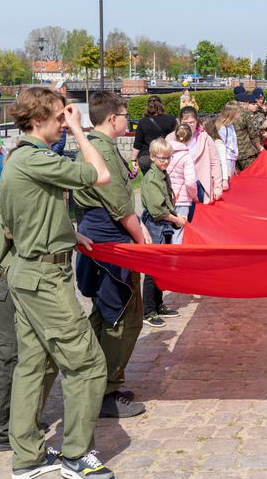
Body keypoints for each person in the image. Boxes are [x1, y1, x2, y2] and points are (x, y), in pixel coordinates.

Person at [0, 86, 114, 479]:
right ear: (36, 120)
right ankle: (76, 456)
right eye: (58, 117)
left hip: (30, 271)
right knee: (86, 364)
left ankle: (27, 455)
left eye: (66, 118)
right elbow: (101, 174)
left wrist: (68, 234)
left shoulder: (18, 159)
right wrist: (83, 131)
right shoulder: (35, 159)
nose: (64, 122)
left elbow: (19, 223)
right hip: (45, 279)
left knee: (35, 364)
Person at [73, 91, 150, 419]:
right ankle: (105, 390)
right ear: (111, 118)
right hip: (111, 238)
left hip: (97, 234)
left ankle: (99, 381)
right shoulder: (100, 149)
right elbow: (119, 203)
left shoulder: (92, 146)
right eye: (124, 113)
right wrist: (142, 239)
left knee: (106, 313)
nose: (127, 118)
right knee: (122, 314)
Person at [0, 193, 59, 453]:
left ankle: (14, 422)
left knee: (13, 356)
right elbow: (16, 233)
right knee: (6, 359)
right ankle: (0, 431)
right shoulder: (9, 201)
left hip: (4, 281)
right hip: (7, 282)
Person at [141, 138, 187, 327]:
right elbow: (157, 210)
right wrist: (176, 219)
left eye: (169, 158)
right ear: (152, 157)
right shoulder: (152, 178)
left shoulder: (162, 173)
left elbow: (167, 202)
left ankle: (158, 305)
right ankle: (148, 311)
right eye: (162, 158)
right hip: (156, 226)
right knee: (152, 270)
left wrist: (176, 214)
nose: (166, 161)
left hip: (165, 225)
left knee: (161, 268)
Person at [179, 106, 223, 203]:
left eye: (192, 122)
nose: (189, 126)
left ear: (197, 121)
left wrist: (217, 187)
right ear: (180, 122)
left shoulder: (205, 138)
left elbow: (215, 163)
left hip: (200, 183)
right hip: (180, 185)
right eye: (185, 123)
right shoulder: (172, 137)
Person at [132, 95, 178, 175]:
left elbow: (137, 144)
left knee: (149, 182)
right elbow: (177, 138)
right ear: (161, 105)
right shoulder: (171, 119)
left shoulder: (142, 122)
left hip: (146, 157)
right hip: (165, 157)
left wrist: (133, 160)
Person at [166, 124, 199, 225]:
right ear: (190, 139)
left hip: (166, 197)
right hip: (182, 199)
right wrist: (194, 195)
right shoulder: (186, 157)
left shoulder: (166, 153)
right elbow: (190, 182)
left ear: (175, 136)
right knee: (178, 230)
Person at [233, 94, 262, 172]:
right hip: (246, 153)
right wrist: (259, 147)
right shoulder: (247, 114)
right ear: (245, 103)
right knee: (251, 175)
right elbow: (253, 134)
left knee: (237, 178)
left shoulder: (230, 112)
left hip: (232, 153)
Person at [202, 116, 230, 191]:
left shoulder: (218, 144)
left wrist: (224, 180)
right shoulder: (203, 142)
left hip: (217, 177)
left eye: (202, 130)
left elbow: (223, 162)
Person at [216, 103, 240, 177]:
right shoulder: (223, 129)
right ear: (232, 113)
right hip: (226, 160)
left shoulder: (231, 126)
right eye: (238, 112)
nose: (240, 113)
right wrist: (226, 168)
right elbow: (219, 149)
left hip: (231, 159)